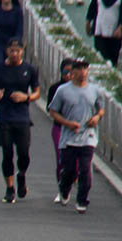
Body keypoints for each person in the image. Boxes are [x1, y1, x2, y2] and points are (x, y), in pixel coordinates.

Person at [0, 38, 41, 202]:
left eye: (18, 51)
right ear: (6, 51)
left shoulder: (29, 69)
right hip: (4, 115)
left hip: (22, 116)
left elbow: (37, 92)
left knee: (24, 153)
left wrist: (27, 97)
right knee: (7, 152)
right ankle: (9, 188)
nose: (15, 54)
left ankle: (22, 174)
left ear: (22, 51)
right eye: (12, 51)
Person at [47, 58, 105, 213]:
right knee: (69, 170)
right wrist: (67, 123)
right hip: (69, 138)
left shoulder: (94, 90)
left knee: (85, 168)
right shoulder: (63, 91)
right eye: (79, 69)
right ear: (72, 72)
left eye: (85, 69)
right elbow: (53, 111)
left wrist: (96, 118)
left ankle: (82, 200)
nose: (83, 72)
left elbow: (101, 109)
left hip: (88, 136)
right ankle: (64, 190)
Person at [46, 58, 76, 190]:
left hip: (76, 129)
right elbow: (50, 109)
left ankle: (71, 180)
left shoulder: (81, 89)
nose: (68, 75)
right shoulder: (55, 88)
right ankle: (61, 187)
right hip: (59, 127)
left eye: (71, 72)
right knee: (61, 159)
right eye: (65, 72)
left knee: (75, 163)